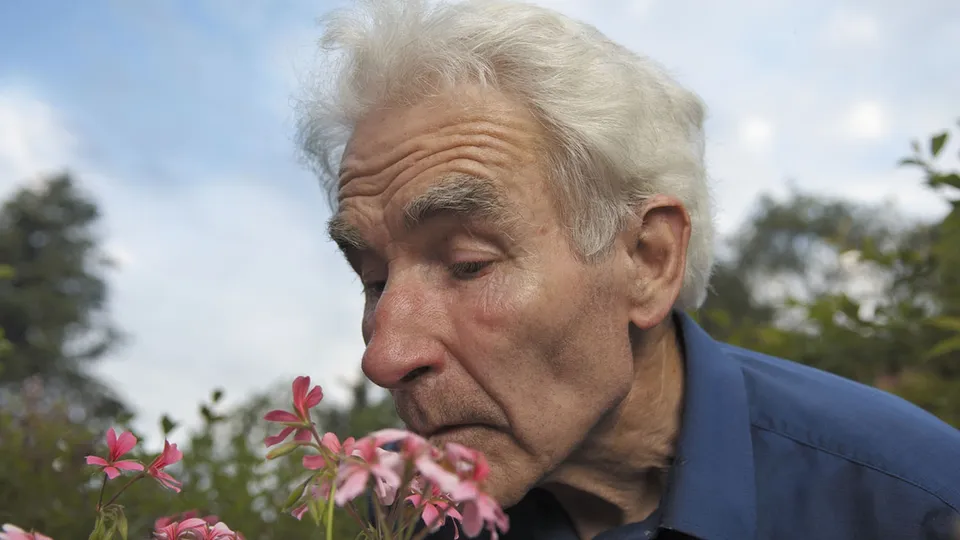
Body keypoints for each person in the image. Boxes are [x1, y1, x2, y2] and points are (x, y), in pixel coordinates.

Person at [295, 1, 960, 538]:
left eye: (468, 264)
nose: (384, 355)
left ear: (648, 259)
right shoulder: (398, 512)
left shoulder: (913, 503)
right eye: (374, 281)